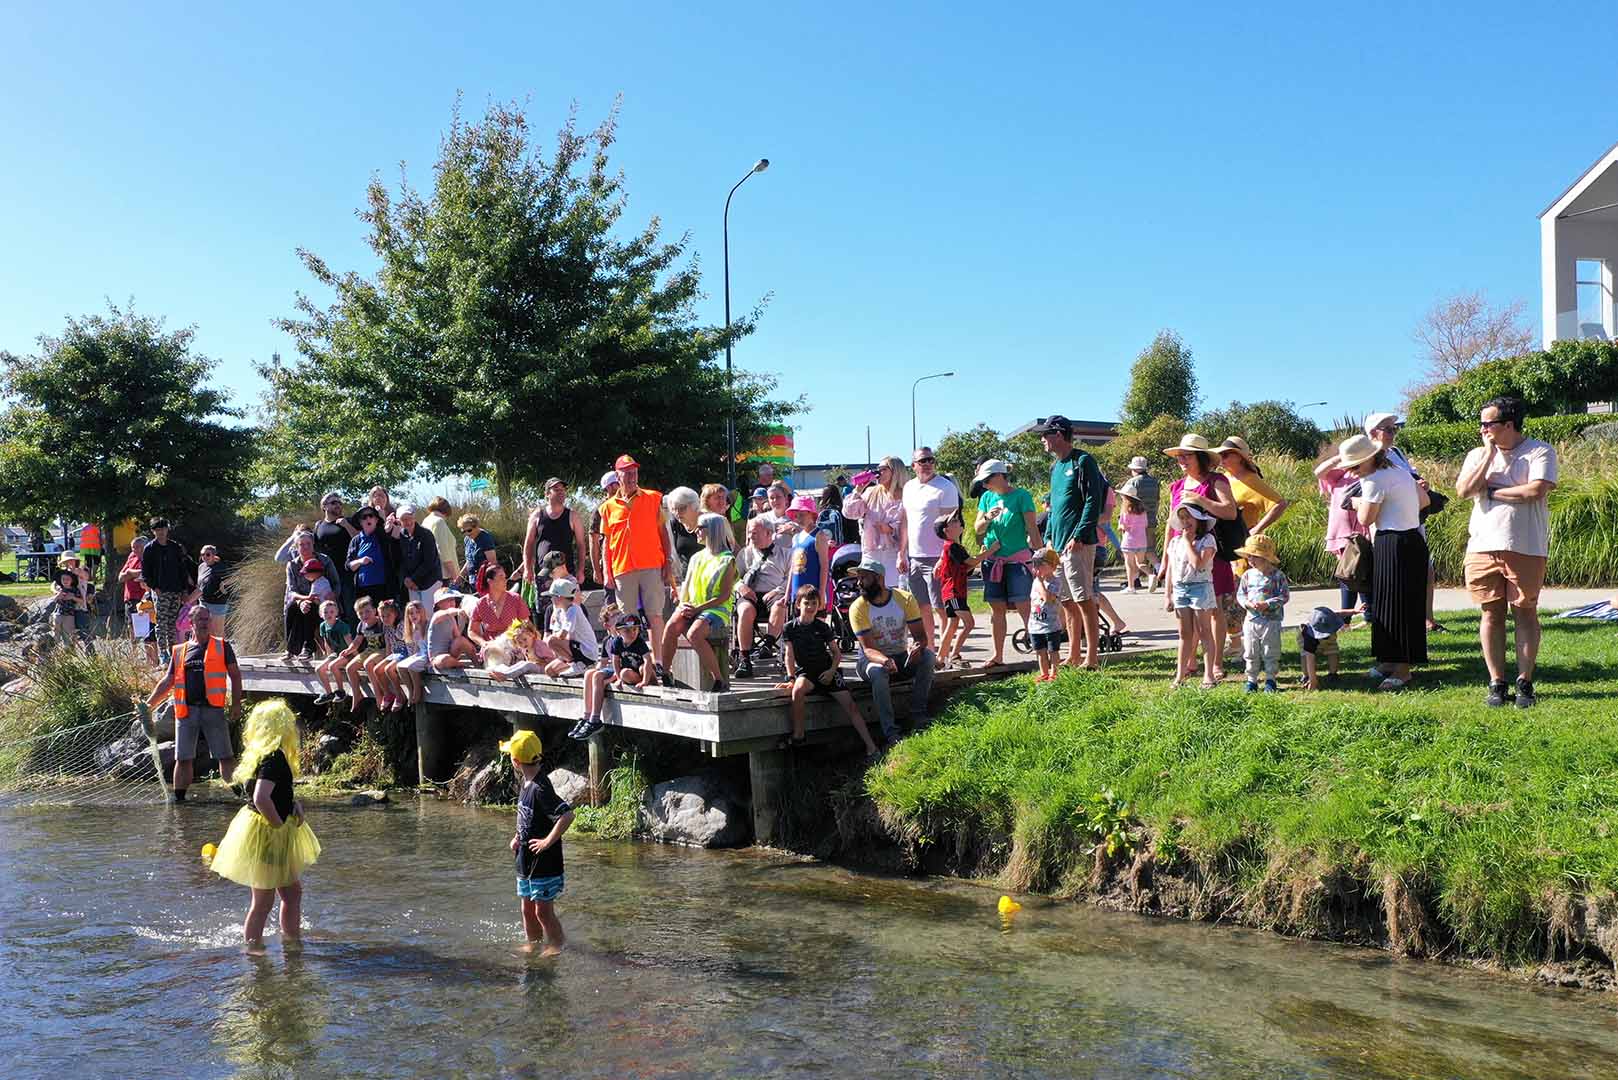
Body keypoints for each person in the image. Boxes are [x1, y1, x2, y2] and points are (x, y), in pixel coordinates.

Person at [1454, 396, 1559, 709]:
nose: (1482, 428)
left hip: (1525, 545)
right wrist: (1487, 456)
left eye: (1488, 423)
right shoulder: (1477, 454)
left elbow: (1535, 491)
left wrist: (1491, 491)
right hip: (1482, 546)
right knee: (1491, 613)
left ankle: (1525, 682)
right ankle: (1496, 682)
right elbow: (1463, 491)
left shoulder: (1539, 451)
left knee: (1524, 612)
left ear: (1509, 424)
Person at [208, 700, 320, 953]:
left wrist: (293, 804)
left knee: (289, 895)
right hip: (269, 834)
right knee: (264, 901)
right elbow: (260, 797)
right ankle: (255, 950)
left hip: (261, 830)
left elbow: (272, 793)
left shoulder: (258, 755)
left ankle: (289, 941)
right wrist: (279, 826)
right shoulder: (274, 759)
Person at [1340, 433, 1430, 691]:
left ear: (1369, 459)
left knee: (1397, 605)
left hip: (1394, 542)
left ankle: (1402, 670)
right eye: (1350, 468)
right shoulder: (1399, 471)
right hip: (1410, 540)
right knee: (1388, 603)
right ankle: (1389, 660)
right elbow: (1424, 501)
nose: (1353, 473)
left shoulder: (1374, 480)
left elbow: (1366, 518)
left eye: (1355, 466)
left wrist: (1357, 501)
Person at [143, 605, 242, 803]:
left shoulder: (222, 646)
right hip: (186, 711)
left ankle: (241, 795)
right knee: (183, 758)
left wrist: (236, 704)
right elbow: (168, 681)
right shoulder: (180, 651)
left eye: (207, 619)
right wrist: (148, 705)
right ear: (191, 623)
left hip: (213, 710)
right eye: (201, 620)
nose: (205, 623)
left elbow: (235, 676)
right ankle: (179, 800)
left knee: (225, 756)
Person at [1163, 433, 1240, 680]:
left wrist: (1200, 500)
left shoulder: (1216, 481)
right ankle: (1190, 663)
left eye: (1186, 456)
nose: (1181, 460)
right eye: (1179, 457)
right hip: (1181, 554)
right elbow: (1170, 523)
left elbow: (1229, 512)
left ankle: (1215, 663)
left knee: (1214, 609)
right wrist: (1166, 558)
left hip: (1210, 551)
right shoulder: (1176, 486)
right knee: (1185, 611)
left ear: (1200, 457)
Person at [599, 454, 677, 679]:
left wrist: (668, 564)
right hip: (623, 567)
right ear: (618, 475)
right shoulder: (607, 507)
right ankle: (633, 663)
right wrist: (607, 572)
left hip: (651, 564)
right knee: (627, 618)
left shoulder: (653, 498)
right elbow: (606, 543)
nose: (632, 476)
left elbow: (664, 534)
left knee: (654, 614)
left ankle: (659, 663)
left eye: (634, 472)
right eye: (627, 472)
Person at [1364, 412, 1444, 633]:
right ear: (1373, 433)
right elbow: (1365, 502)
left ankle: (1425, 618)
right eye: (1388, 429)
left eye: (1394, 428)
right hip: (1389, 526)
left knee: (1425, 570)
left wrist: (1420, 484)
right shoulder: (1368, 460)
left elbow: (1410, 481)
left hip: (1412, 520)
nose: (1393, 433)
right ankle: (1399, 627)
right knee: (1395, 578)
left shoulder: (1396, 453)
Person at [1038, 416, 1107, 670]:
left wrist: (1079, 534)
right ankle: (1074, 654)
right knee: (1065, 600)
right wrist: (1048, 539)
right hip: (1057, 544)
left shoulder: (1083, 460)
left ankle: (1092, 658)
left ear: (1058, 434)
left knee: (1083, 598)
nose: (1042, 440)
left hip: (1078, 543)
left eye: (1045, 434)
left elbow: (1093, 500)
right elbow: (1055, 508)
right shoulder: (1056, 467)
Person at [777, 584, 879, 755]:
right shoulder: (790, 628)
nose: (810, 607)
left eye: (814, 604)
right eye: (806, 603)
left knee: (851, 706)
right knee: (797, 691)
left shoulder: (822, 627)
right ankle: (799, 735)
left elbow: (837, 653)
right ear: (798, 605)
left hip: (827, 671)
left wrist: (832, 671)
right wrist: (790, 678)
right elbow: (789, 655)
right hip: (807, 674)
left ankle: (871, 746)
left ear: (819, 605)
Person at [848, 554, 935, 744]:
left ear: (879, 578)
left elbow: (921, 637)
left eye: (864, 578)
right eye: (858, 578)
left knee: (928, 657)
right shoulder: (858, 607)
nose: (859, 583)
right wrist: (885, 661)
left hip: (901, 656)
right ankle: (891, 732)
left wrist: (917, 647)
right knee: (879, 672)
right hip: (870, 661)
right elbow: (868, 649)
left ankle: (918, 715)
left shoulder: (904, 599)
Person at [502, 728, 573, 956]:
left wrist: (546, 842)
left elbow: (567, 815)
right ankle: (532, 942)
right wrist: (517, 837)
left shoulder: (541, 787)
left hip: (544, 864)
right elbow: (527, 816)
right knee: (526, 908)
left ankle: (556, 944)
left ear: (515, 761)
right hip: (525, 861)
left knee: (543, 911)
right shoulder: (526, 784)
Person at [1217, 436, 1293, 648]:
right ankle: (1236, 641)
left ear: (1240, 457)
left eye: (1226, 454)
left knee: (1236, 592)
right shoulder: (1225, 478)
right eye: (1220, 454)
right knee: (1226, 592)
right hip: (1225, 542)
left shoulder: (1251, 479)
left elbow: (1279, 503)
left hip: (1242, 545)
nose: (1221, 458)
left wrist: (1257, 529)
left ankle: (1239, 643)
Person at [971, 459, 1041, 666]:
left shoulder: (1022, 496)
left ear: (1000, 476)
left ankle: (1040, 653)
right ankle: (997, 655)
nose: (984, 485)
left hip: (1017, 560)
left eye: (986, 480)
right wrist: (987, 519)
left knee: (1024, 605)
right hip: (993, 561)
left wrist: (1041, 556)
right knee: (997, 609)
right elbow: (978, 529)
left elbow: (1032, 529)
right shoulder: (986, 497)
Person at [657, 513, 737, 691]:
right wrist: (683, 605)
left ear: (713, 531)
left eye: (701, 528)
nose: (697, 531)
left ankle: (719, 679)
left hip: (716, 609)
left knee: (694, 634)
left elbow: (723, 596)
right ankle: (666, 672)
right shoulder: (696, 557)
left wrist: (697, 609)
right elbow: (687, 587)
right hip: (693, 605)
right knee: (671, 626)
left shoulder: (727, 560)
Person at [899, 446, 960, 650]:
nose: (927, 464)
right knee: (921, 607)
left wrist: (945, 556)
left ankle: (944, 651)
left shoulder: (945, 487)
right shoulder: (908, 487)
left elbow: (952, 525)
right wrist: (902, 553)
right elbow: (906, 521)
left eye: (930, 460)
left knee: (940, 607)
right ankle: (929, 648)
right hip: (914, 556)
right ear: (913, 465)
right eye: (922, 461)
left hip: (937, 556)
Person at [1163, 504, 1218, 689]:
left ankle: (1208, 675)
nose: (1186, 522)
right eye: (1182, 518)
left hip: (1200, 587)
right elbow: (1171, 568)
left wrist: (1188, 542)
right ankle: (1180, 675)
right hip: (1180, 588)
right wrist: (1167, 594)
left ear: (1198, 520)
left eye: (1189, 517)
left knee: (1204, 631)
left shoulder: (1207, 540)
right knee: (1184, 633)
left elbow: (1199, 565)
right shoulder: (1174, 542)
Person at [734, 516, 791, 678]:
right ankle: (745, 659)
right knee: (744, 610)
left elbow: (790, 579)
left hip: (774, 594)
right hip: (750, 595)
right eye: (750, 533)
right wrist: (741, 586)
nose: (751, 536)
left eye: (755, 533)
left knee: (780, 604)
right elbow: (733, 577)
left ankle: (768, 644)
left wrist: (777, 590)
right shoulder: (745, 554)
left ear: (768, 533)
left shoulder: (785, 554)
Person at [1314, 452, 1370, 618]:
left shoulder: (1370, 475)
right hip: (1342, 535)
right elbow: (1319, 472)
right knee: (1348, 574)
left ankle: (1368, 615)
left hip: (1363, 533)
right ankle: (1347, 617)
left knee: (1363, 573)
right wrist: (1341, 457)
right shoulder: (1341, 474)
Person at [1233, 534, 1290, 693]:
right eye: (1248, 556)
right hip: (1251, 619)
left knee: (1270, 650)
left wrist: (1268, 604)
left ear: (1265, 557)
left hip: (1271, 620)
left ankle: (1270, 679)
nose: (1250, 560)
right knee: (1251, 650)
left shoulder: (1277, 576)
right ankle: (1251, 680)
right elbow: (1241, 594)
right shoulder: (1247, 575)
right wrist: (1247, 603)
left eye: (1254, 556)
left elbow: (1284, 596)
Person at [935, 514, 994, 669]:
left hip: (954, 592)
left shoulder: (955, 547)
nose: (958, 522)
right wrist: (991, 551)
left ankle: (941, 658)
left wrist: (981, 555)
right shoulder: (952, 547)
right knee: (969, 623)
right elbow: (972, 561)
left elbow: (967, 568)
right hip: (953, 592)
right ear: (946, 530)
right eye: (953, 521)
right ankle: (954, 654)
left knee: (953, 624)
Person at [522, 478, 588, 608]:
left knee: (570, 609)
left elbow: (581, 545)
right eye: (556, 490)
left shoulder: (572, 516)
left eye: (563, 490)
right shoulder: (537, 515)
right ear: (547, 494)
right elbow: (528, 544)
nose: (561, 492)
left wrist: (581, 570)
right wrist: (527, 569)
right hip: (544, 572)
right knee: (545, 611)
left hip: (566, 572)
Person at [844, 456, 907, 587]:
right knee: (870, 593)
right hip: (871, 553)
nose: (878, 473)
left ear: (895, 471)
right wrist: (857, 491)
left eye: (883, 469)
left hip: (894, 554)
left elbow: (910, 525)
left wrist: (891, 528)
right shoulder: (871, 492)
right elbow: (850, 513)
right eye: (878, 469)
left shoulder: (907, 495)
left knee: (894, 595)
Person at [143, 518, 195, 665]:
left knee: (173, 622)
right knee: (161, 622)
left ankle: (174, 651)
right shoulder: (150, 548)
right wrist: (155, 587)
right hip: (161, 591)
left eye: (163, 529)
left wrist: (184, 589)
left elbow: (182, 569)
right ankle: (163, 652)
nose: (161, 532)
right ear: (153, 531)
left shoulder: (175, 547)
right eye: (158, 529)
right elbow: (146, 572)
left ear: (167, 529)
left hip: (176, 590)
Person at [312, 493, 359, 617]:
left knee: (351, 611)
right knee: (330, 613)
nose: (337, 505)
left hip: (346, 575)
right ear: (324, 506)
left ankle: (355, 636)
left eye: (339, 503)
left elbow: (359, 540)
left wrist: (346, 525)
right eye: (333, 503)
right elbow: (315, 550)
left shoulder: (347, 521)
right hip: (327, 577)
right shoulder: (319, 526)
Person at [338, 596, 389, 707]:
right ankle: (357, 694)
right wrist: (348, 650)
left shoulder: (381, 622)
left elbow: (389, 639)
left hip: (382, 650)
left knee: (368, 664)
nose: (364, 615)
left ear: (375, 611)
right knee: (350, 668)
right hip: (369, 651)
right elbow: (357, 642)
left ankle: (378, 694)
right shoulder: (361, 625)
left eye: (367, 611)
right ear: (357, 615)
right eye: (361, 613)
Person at [543, 578, 599, 678]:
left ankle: (579, 665)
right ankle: (576, 665)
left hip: (586, 654)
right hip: (574, 651)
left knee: (550, 640)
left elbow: (562, 635)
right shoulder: (559, 612)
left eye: (552, 596)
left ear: (560, 597)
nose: (551, 599)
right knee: (549, 670)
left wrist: (554, 638)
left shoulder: (573, 609)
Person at [784, 494, 829, 615]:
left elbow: (824, 566)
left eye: (802, 515)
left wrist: (822, 592)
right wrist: (787, 593)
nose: (799, 519)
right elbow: (792, 569)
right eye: (796, 516)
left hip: (812, 594)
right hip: (796, 593)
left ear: (812, 514)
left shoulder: (819, 536)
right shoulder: (796, 538)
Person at [469, 563, 531, 648]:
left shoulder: (515, 599)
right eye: (501, 577)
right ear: (490, 581)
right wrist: (483, 643)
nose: (505, 580)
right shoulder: (481, 604)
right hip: (492, 646)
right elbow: (472, 631)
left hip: (515, 643)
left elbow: (527, 624)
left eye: (505, 577)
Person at [1027, 548, 1067, 682]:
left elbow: (1047, 598)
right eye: (1035, 564)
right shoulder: (1036, 582)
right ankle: (1044, 672)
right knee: (1040, 651)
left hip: (1051, 625)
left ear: (1052, 566)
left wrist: (1039, 582)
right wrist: (1038, 581)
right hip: (1035, 624)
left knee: (1053, 651)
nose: (1036, 567)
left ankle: (1054, 673)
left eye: (1040, 564)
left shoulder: (1055, 582)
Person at [283, 558, 334, 660]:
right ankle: (290, 648)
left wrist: (305, 600)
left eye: (307, 573)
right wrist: (304, 600)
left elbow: (312, 598)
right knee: (292, 608)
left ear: (315, 573)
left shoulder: (319, 583)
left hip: (324, 611)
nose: (305, 576)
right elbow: (304, 597)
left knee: (307, 608)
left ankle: (308, 648)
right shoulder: (320, 581)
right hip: (319, 608)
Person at [1299, 605, 1358, 690]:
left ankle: (1332, 674)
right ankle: (1306, 676)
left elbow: (1339, 614)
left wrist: (1353, 611)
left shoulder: (1329, 618)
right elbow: (1310, 659)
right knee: (1305, 656)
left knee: (1333, 651)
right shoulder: (1308, 637)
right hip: (1307, 639)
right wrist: (1313, 681)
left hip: (1330, 638)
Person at [396, 504, 443, 610]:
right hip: (412, 583)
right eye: (404, 519)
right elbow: (402, 560)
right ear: (399, 521)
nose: (407, 522)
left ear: (414, 517)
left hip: (430, 581)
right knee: (416, 616)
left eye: (409, 518)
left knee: (428, 614)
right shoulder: (402, 535)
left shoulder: (426, 534)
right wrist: (406, 579)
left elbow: (429, 562)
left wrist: (413, 579)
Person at [120, 536, 158, 664]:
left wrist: (131, 572)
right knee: (132, 628)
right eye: (133, 548)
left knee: (149, 629)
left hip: (146, 598)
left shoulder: (151, 557)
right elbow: (121, 577)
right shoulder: (131, 557)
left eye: (138, 547)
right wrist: (131, 572)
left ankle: (152, 660)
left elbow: (148, 573)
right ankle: (134, 657)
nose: (135, 550)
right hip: (130, 598)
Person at [346, 507, 393, 610]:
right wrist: (360, 561)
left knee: (384, 617)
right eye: (364, 517)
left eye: (371, 516)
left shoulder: (383, 536)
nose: (368, 519)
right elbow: (349, 566)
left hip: (383, 586)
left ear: (376, 520)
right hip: (363, 589)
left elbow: (389, 533)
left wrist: (389, 525)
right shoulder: (356, 540)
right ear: (360, 522)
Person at [1117, 488, 1157, 594]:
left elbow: (1124, 526)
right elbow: (1145, 524)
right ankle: (1151, 574)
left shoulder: (1125, 511)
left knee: (1129, 564)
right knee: (1140, 562)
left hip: (1129, 541)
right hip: (1141, 540)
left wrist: (1120, 526)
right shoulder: (1142, 511)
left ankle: (1131, 587)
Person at [311, 600, 353, 703]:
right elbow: (326, 641)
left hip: (347, 653)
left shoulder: (341, 626)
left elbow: (350, 643)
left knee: (332, 666)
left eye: (331, 612)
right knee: (319, 669)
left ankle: (340, 691)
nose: (328, 614)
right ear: (321, 614)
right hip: (335, 655)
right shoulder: (323, 626)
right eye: (325, 612)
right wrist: (328, 655)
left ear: (336, 613)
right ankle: (329, 693)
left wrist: (355, 656)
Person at [429, 589, 479, 672]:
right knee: (443, 659)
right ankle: (461, 665)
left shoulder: (452, 619)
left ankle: (477, 664)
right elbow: (448, 612)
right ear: (439, 604)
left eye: (452, 600)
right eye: (447, 600)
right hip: (438, 658)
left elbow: (458, 638)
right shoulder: (437, 616)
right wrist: (459, 611)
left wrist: (468, 647)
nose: (452, 602)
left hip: (451, 653)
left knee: (461, 640)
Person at [665, 486, 705, 583]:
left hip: (708, 576)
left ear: (694, 505)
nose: (677, 513)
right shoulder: (674, 523)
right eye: (674, 509)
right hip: (688, 578)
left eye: (682, 508)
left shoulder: (708, 521)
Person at [588, 471, 619, 590]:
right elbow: (593, 542)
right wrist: (596, 570)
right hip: (609, 566)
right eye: (617, 483)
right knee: (612, 606)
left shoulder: (627, 505)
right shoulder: (600, 510)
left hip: (628, 565)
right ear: (609, 487)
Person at [421, 497, 461, 588]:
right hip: (444, 575)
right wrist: (455, 575)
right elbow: (443, 551)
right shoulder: (439, 522)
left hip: (431, 573)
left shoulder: (425, 521)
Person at [457, 514, 497, 590]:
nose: (467, 533)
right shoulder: (467, 539)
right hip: (472, 580)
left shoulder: (485, 538)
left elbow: (493, 562)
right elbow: (469, 561)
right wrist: (460, 577)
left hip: (484, 581)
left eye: (469, 530)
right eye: (463, 531)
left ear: (476, 526)